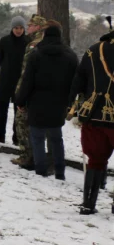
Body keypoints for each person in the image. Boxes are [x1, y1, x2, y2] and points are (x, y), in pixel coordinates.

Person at [14, 23, 77, 179]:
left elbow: (27, 80)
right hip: (59, 103)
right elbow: (75, 81)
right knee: (56, 139)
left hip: (37, 103)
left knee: (37, 138)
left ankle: (40, 170)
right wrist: (70, 102)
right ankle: (60, 171)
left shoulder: (36, 54)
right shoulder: (70, 56)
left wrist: (21, 101)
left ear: (44, 35)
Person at [68, 22, 114, 214]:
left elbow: (79, 80)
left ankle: (88, 204)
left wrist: (71, 107)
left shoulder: (94, 50)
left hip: (94, 114)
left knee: (95, 160)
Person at [12, 15, 49, 169]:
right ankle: (36, 157)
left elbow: (26, 74)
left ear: (38, 27)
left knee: (22, 125)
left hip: (30, 93)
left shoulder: (33, 45)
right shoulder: (46, 43)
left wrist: (20, 95)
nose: (28, 28)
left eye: (31, 25)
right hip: (42, 94)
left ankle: (26, 157)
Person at [0, 16, 29, 143]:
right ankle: (0, 136)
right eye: (16, 28)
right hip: (5, 80)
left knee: (18, 113)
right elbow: (0, 58)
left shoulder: (27, 42)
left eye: (21, 28)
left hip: (20, 82)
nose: (18, 30)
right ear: (12, 28)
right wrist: (6, 69)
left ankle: (17, 137)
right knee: (2, 111)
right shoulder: (4, 41)